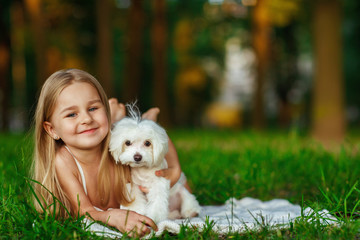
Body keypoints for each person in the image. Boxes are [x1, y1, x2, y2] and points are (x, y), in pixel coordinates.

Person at [31, 68, 182, 237]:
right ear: (51, 130)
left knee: (178, 183)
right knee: (121, 127)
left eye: (93, 108)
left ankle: (142, 119)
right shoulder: (64, 161)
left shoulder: (117, 142)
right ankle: (121, 115)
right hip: (111, 127)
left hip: (117, 132)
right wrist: (111, 216)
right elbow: (85, 211)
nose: (86, 119)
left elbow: (159, 136)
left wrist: (175, 167)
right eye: (72, 114)